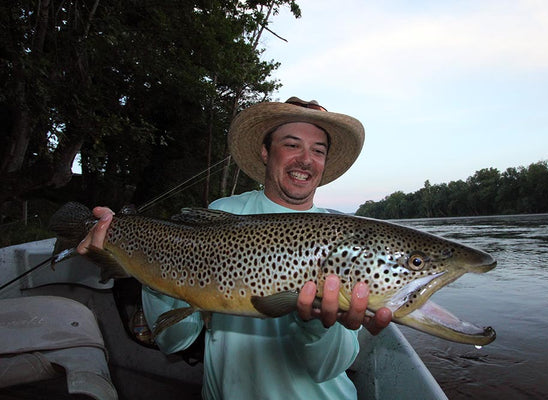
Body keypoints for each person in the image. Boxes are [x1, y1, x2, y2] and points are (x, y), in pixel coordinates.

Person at [77, 97, 392, 399]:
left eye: (318, 150)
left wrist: (318, 326)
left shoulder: (345, 244)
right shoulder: (224, 213)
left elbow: (326, 368)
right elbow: (174, 340)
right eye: (292, 144)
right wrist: (146, 262)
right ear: (266, 152)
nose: (306, 159)